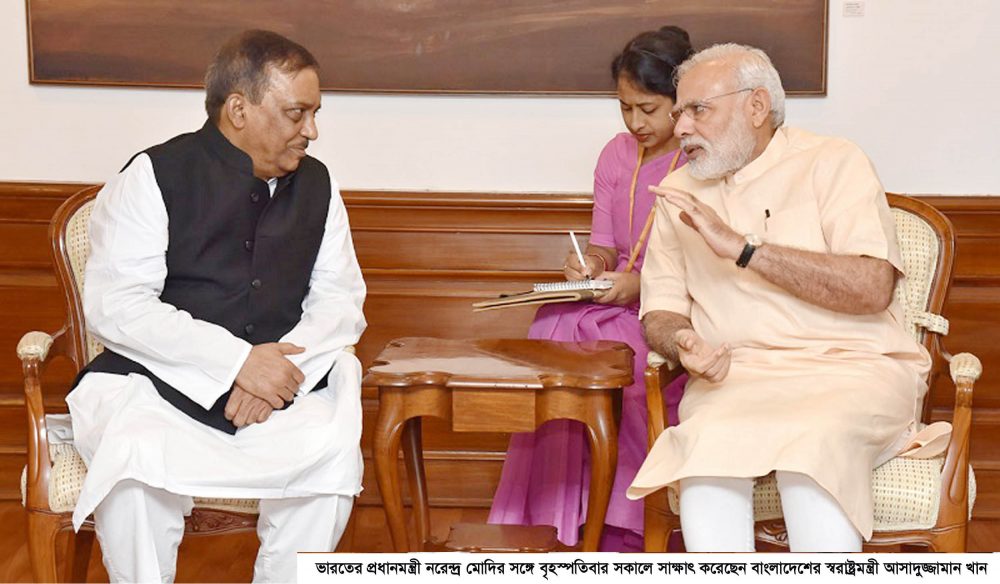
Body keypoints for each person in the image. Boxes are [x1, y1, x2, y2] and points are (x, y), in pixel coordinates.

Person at [67, 30, 366, 582]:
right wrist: (236, 363)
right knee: (133, 462)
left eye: (315, 113)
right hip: (156, 385)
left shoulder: (320, 185)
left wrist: (275, 375)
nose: (313, 131)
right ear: (238, 110)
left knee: (330, 446)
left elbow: (340, 299)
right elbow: (118, 304)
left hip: (278, 392)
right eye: (297, 113)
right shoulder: (154, 175)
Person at [626, 43, 942, 552]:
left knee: (811, 451)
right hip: (736, 377)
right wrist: (682, 340)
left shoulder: (833, 161)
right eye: (679, 111)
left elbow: (871, 286)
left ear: (756, 107)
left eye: (697, 110)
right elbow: (660, 308)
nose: (680, 127)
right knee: (705, 460)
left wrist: (747, 251)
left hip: (851, 370)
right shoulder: (679, 189)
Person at [488, 26, 692, 551]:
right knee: (553, 321)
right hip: (613, 299)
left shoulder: (701, 161)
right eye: (625, 108)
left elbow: (704, 271)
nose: (635, 122)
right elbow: (604, 242)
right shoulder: (615, 154)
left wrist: (637, 285)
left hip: (670, 308)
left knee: (624, 359)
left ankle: (625, 520)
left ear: (682, 99)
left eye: (648, 109)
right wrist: (589, 264)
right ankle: (561, 512)